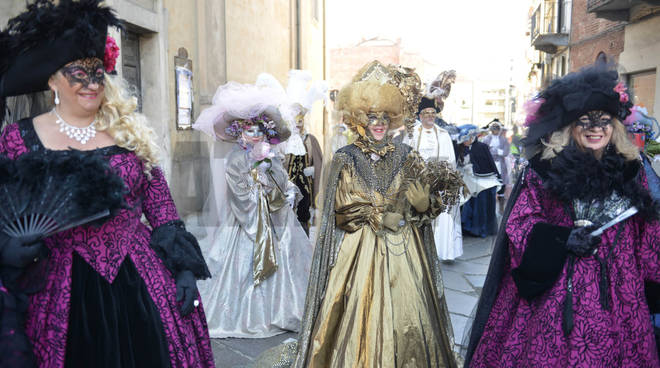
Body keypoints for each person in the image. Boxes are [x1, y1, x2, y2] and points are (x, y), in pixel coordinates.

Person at [0, 1, 215, 367]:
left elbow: (160, 206)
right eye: (77, 73)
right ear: (52, 80)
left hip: (139, 278)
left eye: (97, 72)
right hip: (56, 283)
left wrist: (182, 268)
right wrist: (7, 248)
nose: (91, 83)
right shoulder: (17, 139)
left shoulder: (129, 133)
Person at [464, 64, 660, 367]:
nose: (595, 128)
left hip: (620, 291)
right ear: (570, 125)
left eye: (604, 121)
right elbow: (520, 224)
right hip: (554, 291)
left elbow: (647, 232)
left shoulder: (632, 170)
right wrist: (561, 238)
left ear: (615, 126)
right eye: (585, 121)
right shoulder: (545, 169)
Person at [293, 60, 462, 368]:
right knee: (357, 309)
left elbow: (425, 202)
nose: (379, 123)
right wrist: (375, 216)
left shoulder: (407, 155)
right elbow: (341, 211)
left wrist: (426, 206)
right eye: (372, 117)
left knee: (412, 311)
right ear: (360, 118)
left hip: (405, 251)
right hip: (360, 251)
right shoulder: (346, 158)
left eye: (384, 117)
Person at [192, 80, 313, 338]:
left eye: (259, 130)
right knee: (238, 266)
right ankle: (245, 313)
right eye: (248, 131)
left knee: (288, 259)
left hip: (275, 218)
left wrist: (275, 183)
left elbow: (281, 181)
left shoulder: (272, 156)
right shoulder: (236, 158)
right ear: (240, 133)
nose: (254, 136)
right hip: (244, 223)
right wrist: (257, 185)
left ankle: (283, 310)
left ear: (265, 132)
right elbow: (239, 193)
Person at [404, 95, 463, 261]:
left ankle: (440, 251)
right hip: (418, 184)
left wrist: (449, 180)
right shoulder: (411, 134)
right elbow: (405, 157)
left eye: (433, 113)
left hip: (440, 183)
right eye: (426, 113)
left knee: (441, 217)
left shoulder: (444, 135)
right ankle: (418, 251)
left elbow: (450, 161)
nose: (430, 115)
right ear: (420, 116)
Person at [276, 70, 325, 234]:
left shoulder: (310, 140)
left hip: (305, 188)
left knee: (303, 215)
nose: (298, 124)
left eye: (300, 120)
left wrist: (314, 170)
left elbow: (320, 164)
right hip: (286, 188)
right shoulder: (283, 141)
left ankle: (303, 236)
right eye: (295, 120)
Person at [456, 125, 499, 238]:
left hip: (483, 182)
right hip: (467, 181)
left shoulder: (481, 147)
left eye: (468, 138)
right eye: (464, 139)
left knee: (481, 205)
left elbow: (489, 164)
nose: (466, 141)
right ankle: (467, 227)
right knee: (466, 202)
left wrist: (474, 168)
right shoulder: (460, 148)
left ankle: (480, 229)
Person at [481, 119, 510, 191]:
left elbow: (506, 152)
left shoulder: (504, 140)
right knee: (490, 181)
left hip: (500, 163)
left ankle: (501, 197)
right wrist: (492, 152)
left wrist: (496, 151)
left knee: (502, 182)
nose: (496, 131)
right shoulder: (486, 139)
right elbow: (484, 151)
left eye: (497, 129)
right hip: (489, 163)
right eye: (494, 129)